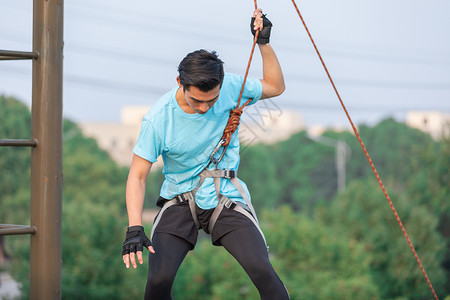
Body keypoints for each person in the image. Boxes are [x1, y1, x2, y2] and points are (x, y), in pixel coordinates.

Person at [122, 8, 290, 300]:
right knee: (159, 279)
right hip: (179, 199)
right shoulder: (159, 118)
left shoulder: (231, 88)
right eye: (197, 101)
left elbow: (275, 86)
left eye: (211, 101)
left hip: (224, 196)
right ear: (180, 83)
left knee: (262, 269)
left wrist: (263, 43)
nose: (205, 108)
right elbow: (137, 176)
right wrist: (134, 226)